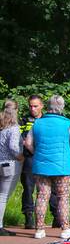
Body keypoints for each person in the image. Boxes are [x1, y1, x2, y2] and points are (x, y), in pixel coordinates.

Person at [23, 95, 70, 239]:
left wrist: (37, 154)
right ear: (61, 107)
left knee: (42, 196)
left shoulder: (37, 123)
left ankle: (39, 230)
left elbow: (28, 143)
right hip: (62, 166)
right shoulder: (67, 123)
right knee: (63, 197)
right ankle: (65, 228)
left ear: (47, 107)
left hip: (41, 166)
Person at [19, 94, 58, 229]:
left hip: (45, 158)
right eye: (30, 106)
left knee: (50, 188)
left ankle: (56, 216)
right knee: (28, 188)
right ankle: (29, 217)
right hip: (29, 158)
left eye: (35, 106)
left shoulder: (47, 120)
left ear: (42, 106)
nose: (33, 108)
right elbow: (21, 140)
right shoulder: (23, 121)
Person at [0, 100, 25, 236]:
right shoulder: (14, 128)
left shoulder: (1, 126)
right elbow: (13, 147)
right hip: (10, 164)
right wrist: (22, 157)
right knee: (3, 196)